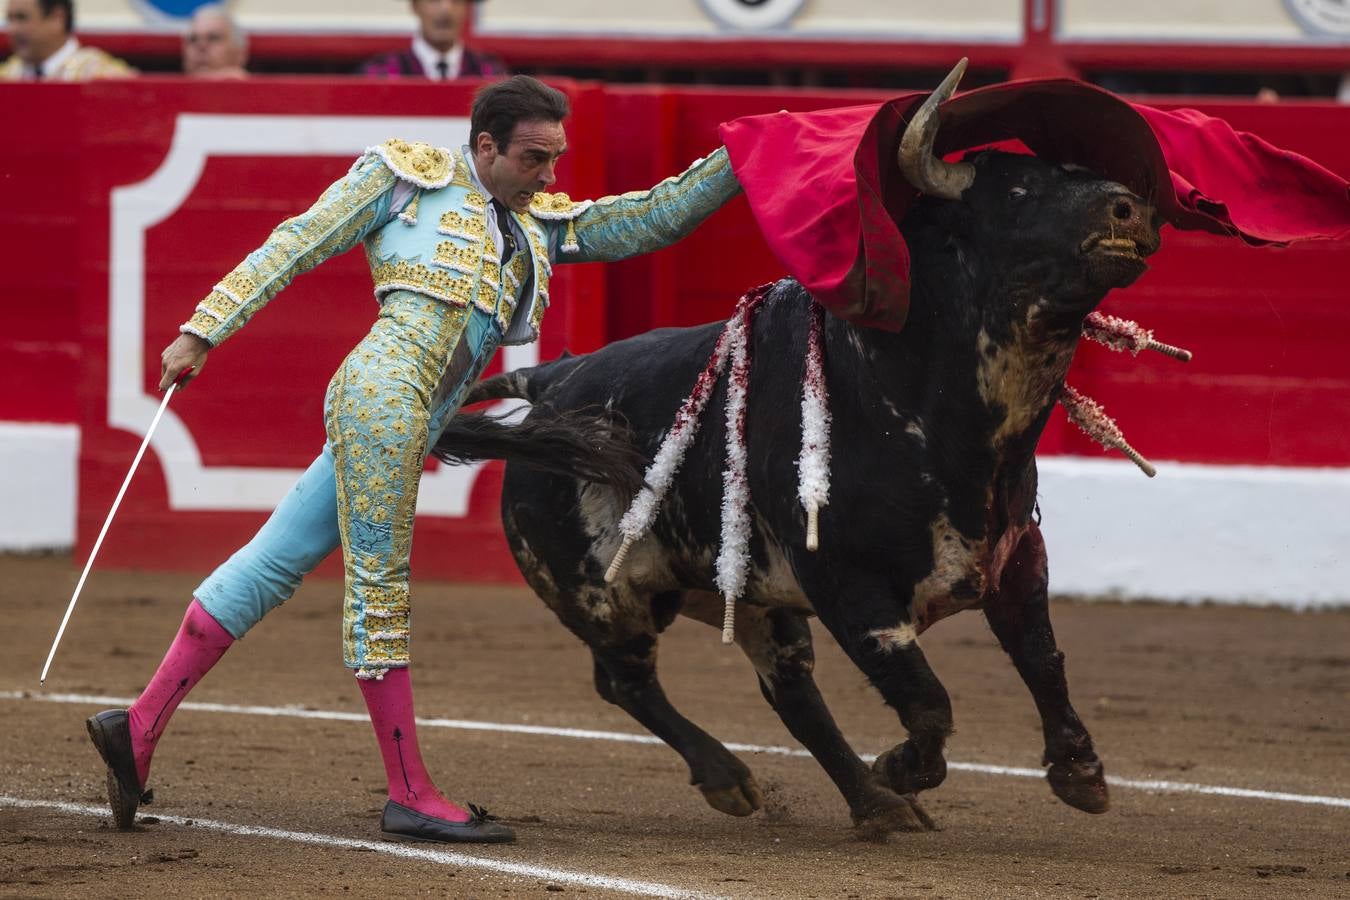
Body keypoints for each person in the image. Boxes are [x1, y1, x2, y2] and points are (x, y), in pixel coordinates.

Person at [86, 75, 741, 845]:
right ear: (486, 146)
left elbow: (648, 219)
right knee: (379, 593)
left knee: (272, 563)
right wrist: (203, 329)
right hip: (383, 401)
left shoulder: (534, 224)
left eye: (555, 159)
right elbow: (298, 241)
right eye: (535, 158)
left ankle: (137, 726)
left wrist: (746, 156)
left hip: (412, 415)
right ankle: (408, 791)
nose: (550, 176)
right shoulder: (405, 179)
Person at [358, 0, 506, 80]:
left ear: (467, 7)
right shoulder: (381, 74)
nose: (446, 8)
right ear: (415, 6)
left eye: (456, 1)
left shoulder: (491, 74)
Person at [1, 0, 132, 80]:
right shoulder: (7, 75)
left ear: (58, 18)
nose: (12, 29)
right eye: (10, 19)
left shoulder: (103, 74)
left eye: (22, 18)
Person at [182, 3, 247, 80]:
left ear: (240, 54)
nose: (201, 46)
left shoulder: (258, 91)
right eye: (193, 39)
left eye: (213, 38)